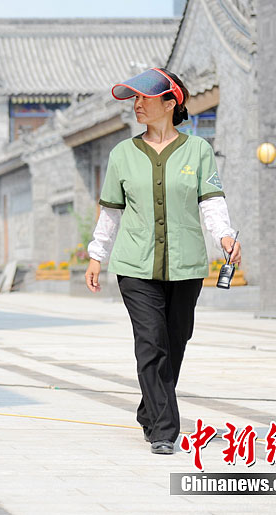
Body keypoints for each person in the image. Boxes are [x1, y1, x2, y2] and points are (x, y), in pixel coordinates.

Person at [84, 68, 241, 456]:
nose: (137, 105)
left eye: (145, 98)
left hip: (186, 265)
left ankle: (149, 409)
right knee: (151, 343)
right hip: (135, 266)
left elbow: (211, 201)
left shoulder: (199, 150)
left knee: (175, 341)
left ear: (170, 103)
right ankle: (165, 431)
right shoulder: (122, 154)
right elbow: (111, 212)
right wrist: (96, 254)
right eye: (134, 99)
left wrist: (224, 235)